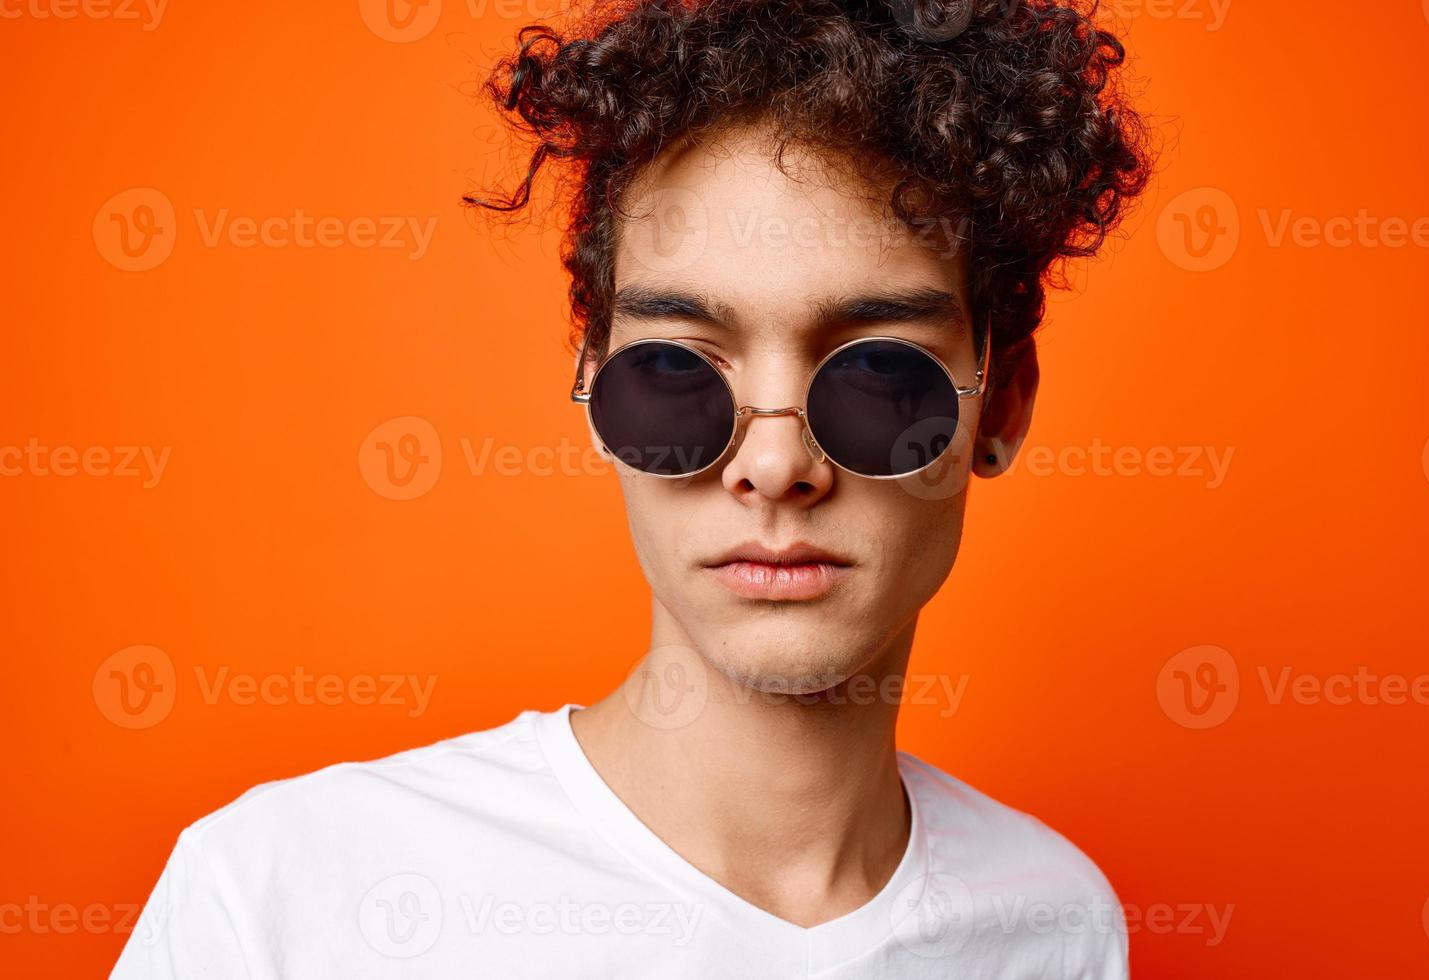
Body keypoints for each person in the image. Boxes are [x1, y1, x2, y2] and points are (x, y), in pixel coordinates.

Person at [113, 1, 1152, 976]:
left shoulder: (1051, 923)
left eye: (878, 370)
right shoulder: (289, 895)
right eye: (679, 372)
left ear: (1001, 404)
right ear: (591, 386)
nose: (776, 466)